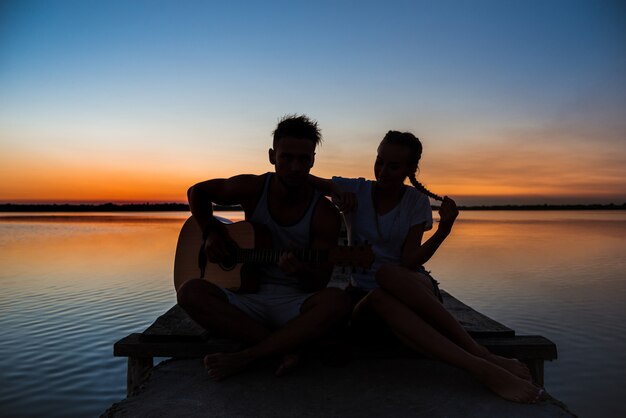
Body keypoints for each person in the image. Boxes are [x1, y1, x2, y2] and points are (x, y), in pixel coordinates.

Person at [310, 130, 545, 403]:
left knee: (388, 274)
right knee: (380, 297)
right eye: (379, 161)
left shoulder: (416, 202)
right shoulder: (357, 189)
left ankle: (479, 352)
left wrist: (443, 230)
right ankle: (480, 367)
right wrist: (337, 190)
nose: (383, 171)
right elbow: (305, 181)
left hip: (409, 286)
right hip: (366, 298)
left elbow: (410, 262)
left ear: (410, 169)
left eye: (394, 166)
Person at [177, 114, 350, 380]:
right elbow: (197, 192)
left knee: (337, 302)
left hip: (294, 301)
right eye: (286, 158)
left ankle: (249, 356)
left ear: (313, 160)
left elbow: (318, 282)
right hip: (246, 296)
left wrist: (300, 271)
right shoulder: (254, 187)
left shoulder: (324, 213)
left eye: (303, 159)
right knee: (190, 292)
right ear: (272, 156)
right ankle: (285, 345)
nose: (295, 167)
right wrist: (211, 231)